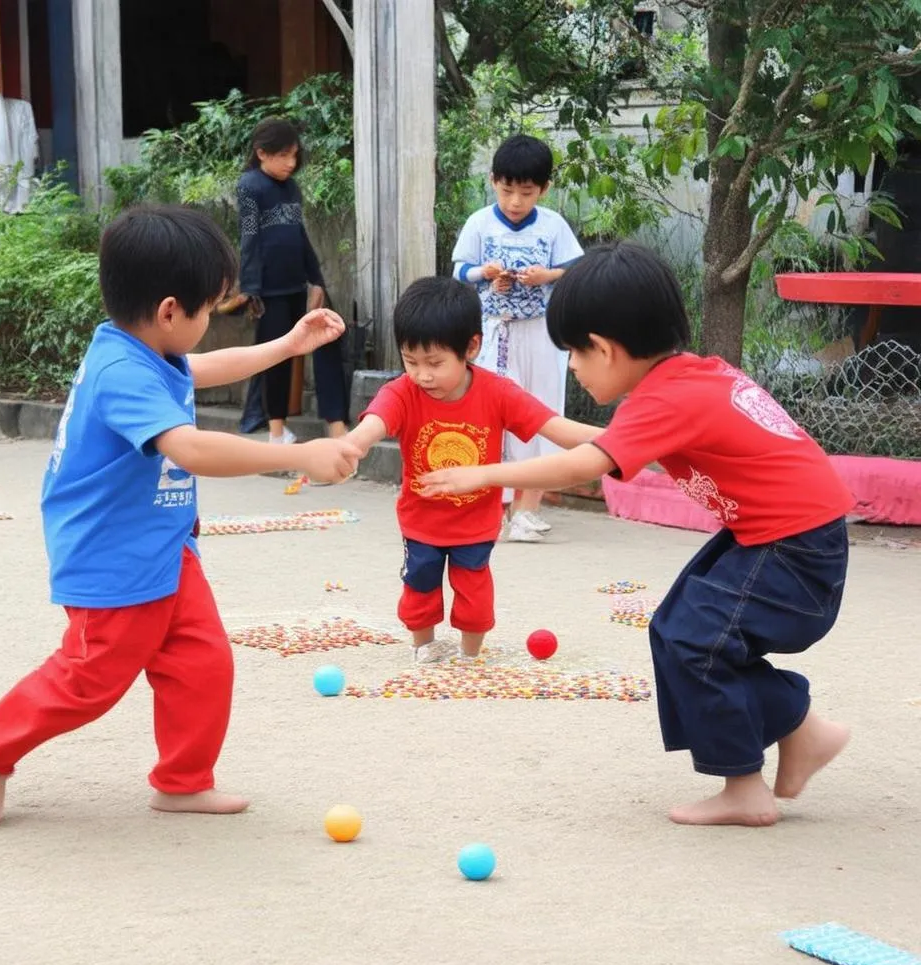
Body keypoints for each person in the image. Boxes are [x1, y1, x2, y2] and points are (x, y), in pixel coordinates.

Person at [421, 242, 853, 828]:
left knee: (695, 640)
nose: (572, 365)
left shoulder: (667, 396)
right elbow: (601, 442)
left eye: (574, 352)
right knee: (678, 631)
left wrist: (484, 472)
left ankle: (745, 787)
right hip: (781, 536)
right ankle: (803, 732)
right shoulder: (688, 377)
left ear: (604, 347)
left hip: (793, 550)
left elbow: (583, 465)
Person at [0, 205, 361, 830]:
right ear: (172, 310)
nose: (208, 322)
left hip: (166, 548)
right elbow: (192, 449)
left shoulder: (148, 351)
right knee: (89, 680)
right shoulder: (122, 371)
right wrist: (299, 454)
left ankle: (182, 781)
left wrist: (289, 344)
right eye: (208, 309)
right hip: (111, 558)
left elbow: (202, 369)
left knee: (202, 664)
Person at [347, 277, 602, 664]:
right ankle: (423, 647)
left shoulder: (498, 392)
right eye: (410, 361)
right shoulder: (404, 391)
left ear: (471, 347)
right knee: (419, 584)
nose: (422, 375)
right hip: (421, 520)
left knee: (475, 591)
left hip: (476, 521)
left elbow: (556, 428)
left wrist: (623, 439)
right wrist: (354, 443)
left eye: (435, 363)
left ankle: (470, 654)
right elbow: (376, 421)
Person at [451, 134, 583, 543]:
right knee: (494, 412)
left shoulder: (553, 225)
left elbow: (577, 270)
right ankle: (494, 505)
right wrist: (484, 275)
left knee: (543, 410)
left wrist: (547, 277)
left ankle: (529, 508)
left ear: (543, 189)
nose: (515, 202)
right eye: (507, 191)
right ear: (493, 181)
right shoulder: (479, 222)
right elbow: (458, 271)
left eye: (526, 193)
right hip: (495, 332)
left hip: (541, 333)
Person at [235, 118, 347, 442]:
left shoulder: (292, 188)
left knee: (328, 338)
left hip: (300, 285)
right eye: (284, 155)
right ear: (261, 153)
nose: (291, 163)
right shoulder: (249, 185)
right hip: (269, 291)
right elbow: (250, 238)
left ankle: (336, 425)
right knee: (278, 357)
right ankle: (276, 432)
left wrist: (317, 282)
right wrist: (251, 291)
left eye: (295, 155)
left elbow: (300, 236)